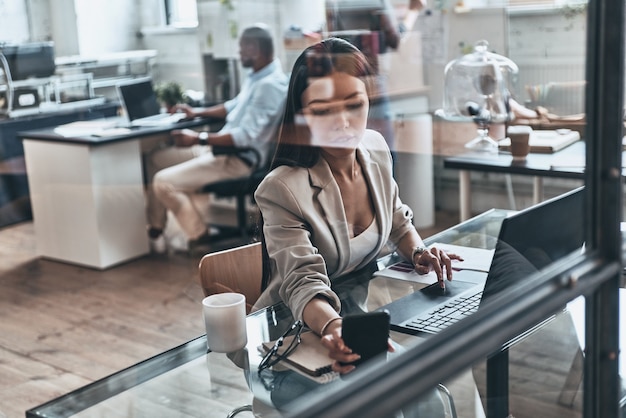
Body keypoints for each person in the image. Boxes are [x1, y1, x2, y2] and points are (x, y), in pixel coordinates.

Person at [253, 38, 460, 377]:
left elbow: (396, 220)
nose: (344, 123)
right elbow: (302, 283)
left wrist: (420, 252)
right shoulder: (282, 189)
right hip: (301, 332)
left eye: (354, 105)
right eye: (322, 111)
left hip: (362, 317)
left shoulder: (375, 147)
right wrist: (333, 327)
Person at [145, 24, 289, 254]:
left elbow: (245, 137)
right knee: (156, 157)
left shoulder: (269, 86)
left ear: (254, 48)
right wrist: (196, 113)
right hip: (218, 151)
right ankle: (156, 226)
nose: (238, 53)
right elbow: (233, 107)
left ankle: (199, 235)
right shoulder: (259, 77)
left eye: (241, 48)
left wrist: (197, 139)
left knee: (163, 182)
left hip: (236, 161)